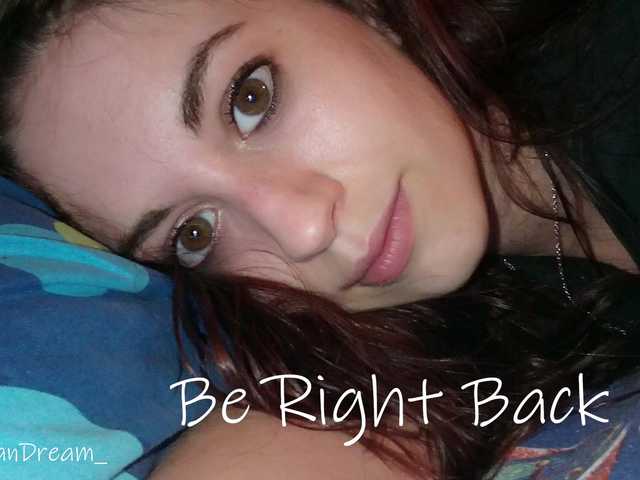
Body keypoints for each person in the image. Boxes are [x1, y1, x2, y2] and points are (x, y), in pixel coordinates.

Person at [0, 0, 639, 478]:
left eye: (253, 98)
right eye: (196, 232)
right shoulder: (461, 325)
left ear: (365, 10)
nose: (302, 230)